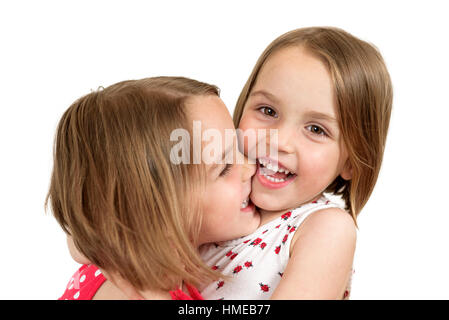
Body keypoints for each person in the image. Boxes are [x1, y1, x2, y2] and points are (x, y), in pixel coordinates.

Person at [199, 26, 393, 299]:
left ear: (352, 162)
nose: (279, 141)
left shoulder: (326, 228)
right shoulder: (208, 198)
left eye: (316, 129)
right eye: (268, 111)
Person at [45, 76, 261, 300]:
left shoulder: (132, 262)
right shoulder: (126, 293)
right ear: (155, 211)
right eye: (225, 168)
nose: (250, 165)